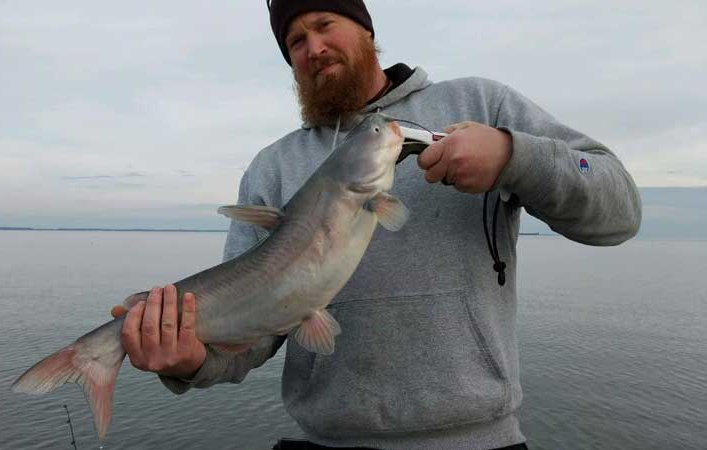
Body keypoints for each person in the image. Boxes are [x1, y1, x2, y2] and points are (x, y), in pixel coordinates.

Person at [111, 1, 642, 449]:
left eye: (324, 25)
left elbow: (619, 211)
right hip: (324, 442)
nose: (313, 48)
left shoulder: (479, 103)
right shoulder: (272, 167)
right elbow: (250, 337)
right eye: (294, 41)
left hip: (480, 443)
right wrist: (188, 361)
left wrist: (512, 154)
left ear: (367, 29)